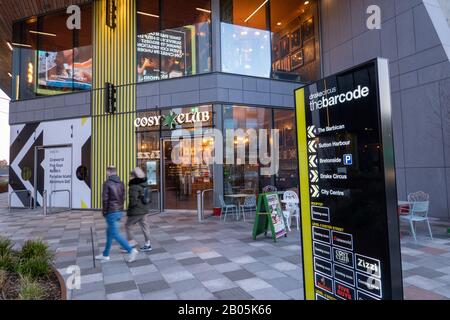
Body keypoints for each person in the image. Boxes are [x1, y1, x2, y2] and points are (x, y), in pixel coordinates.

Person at [95, 166, 139, 262]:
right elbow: (123, 198)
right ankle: (105, 254)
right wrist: (120, 209)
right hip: (119, 211)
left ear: (108, 172)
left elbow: (105, 199)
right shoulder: (121, 183)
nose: (106, 173)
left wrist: (105, 212)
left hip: (111, 212)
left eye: (107, 172)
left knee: (114, 234)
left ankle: (131, 250)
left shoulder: (107, 183)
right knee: (109, 233)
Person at [125, 167, 152, 252]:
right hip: (144, 209)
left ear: (134, 176)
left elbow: (133, 201)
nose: (130, 176)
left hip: (137, 210)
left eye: (131, 175)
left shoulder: (134, 186)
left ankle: (130, 244)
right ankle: (148, 244)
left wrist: (129, 211)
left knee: (128, 225)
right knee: (145, 226)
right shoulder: (145, 183)